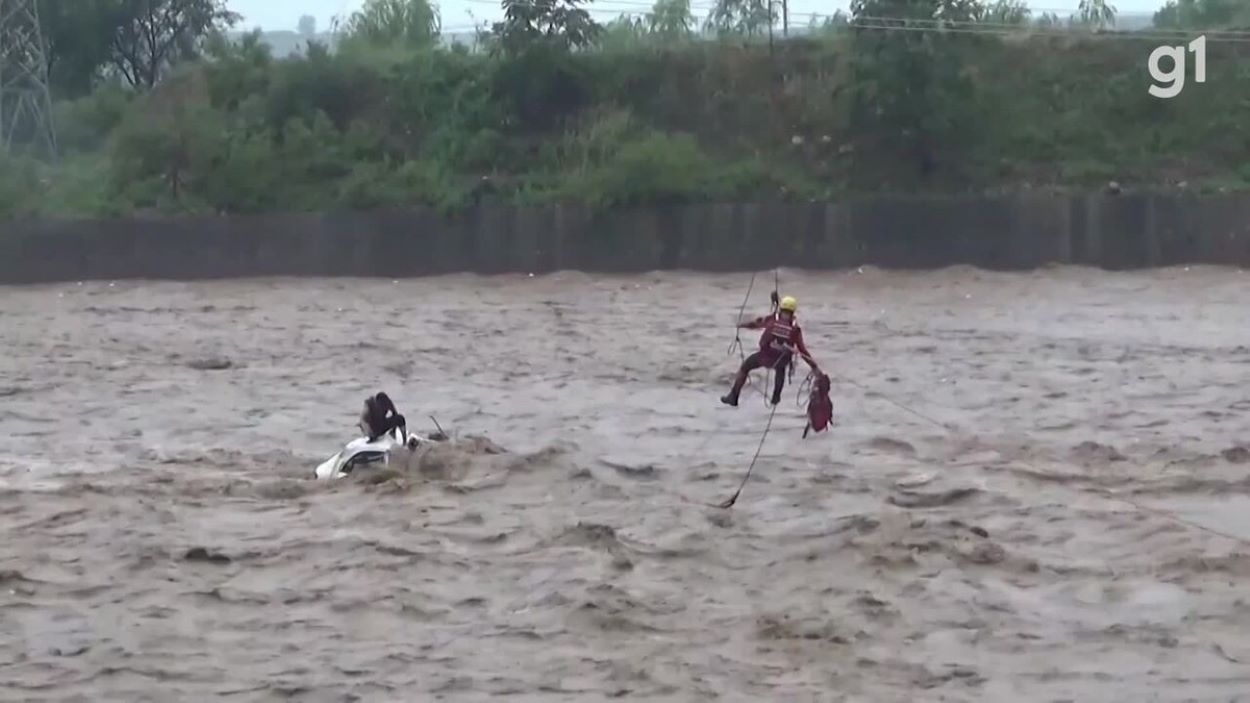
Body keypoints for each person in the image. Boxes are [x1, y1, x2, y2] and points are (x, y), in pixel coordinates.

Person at [721, 295, 821, 407]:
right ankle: (776, 396)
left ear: (781, 309)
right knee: (780, 369)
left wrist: (741, 325)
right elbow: (802, 350)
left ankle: (733, 396)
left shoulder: (772, 320)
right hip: (781, 360)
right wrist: (814, 367)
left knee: (745, 367)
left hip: (764, 357)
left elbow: (756, 324)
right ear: (793, 312)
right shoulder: (795, 329)